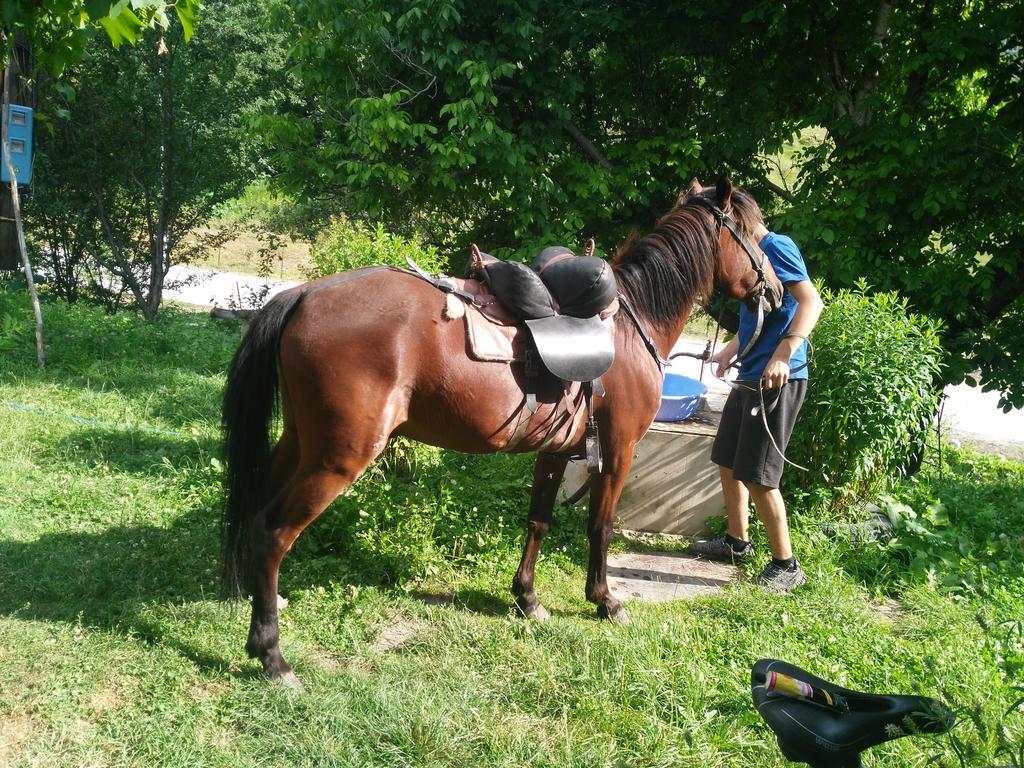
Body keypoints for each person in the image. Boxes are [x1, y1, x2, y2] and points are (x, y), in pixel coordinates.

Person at [689, 190, 823, 592]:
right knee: (728, 460)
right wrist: (730, 351)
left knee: (761, 475)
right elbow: (760, 318)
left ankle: (786, 565)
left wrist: (783, 355)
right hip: (750, 374)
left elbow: (810, 302)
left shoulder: (775, 247)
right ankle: (736, 541)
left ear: (735, 219)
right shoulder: (749, 257)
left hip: (778, 378)